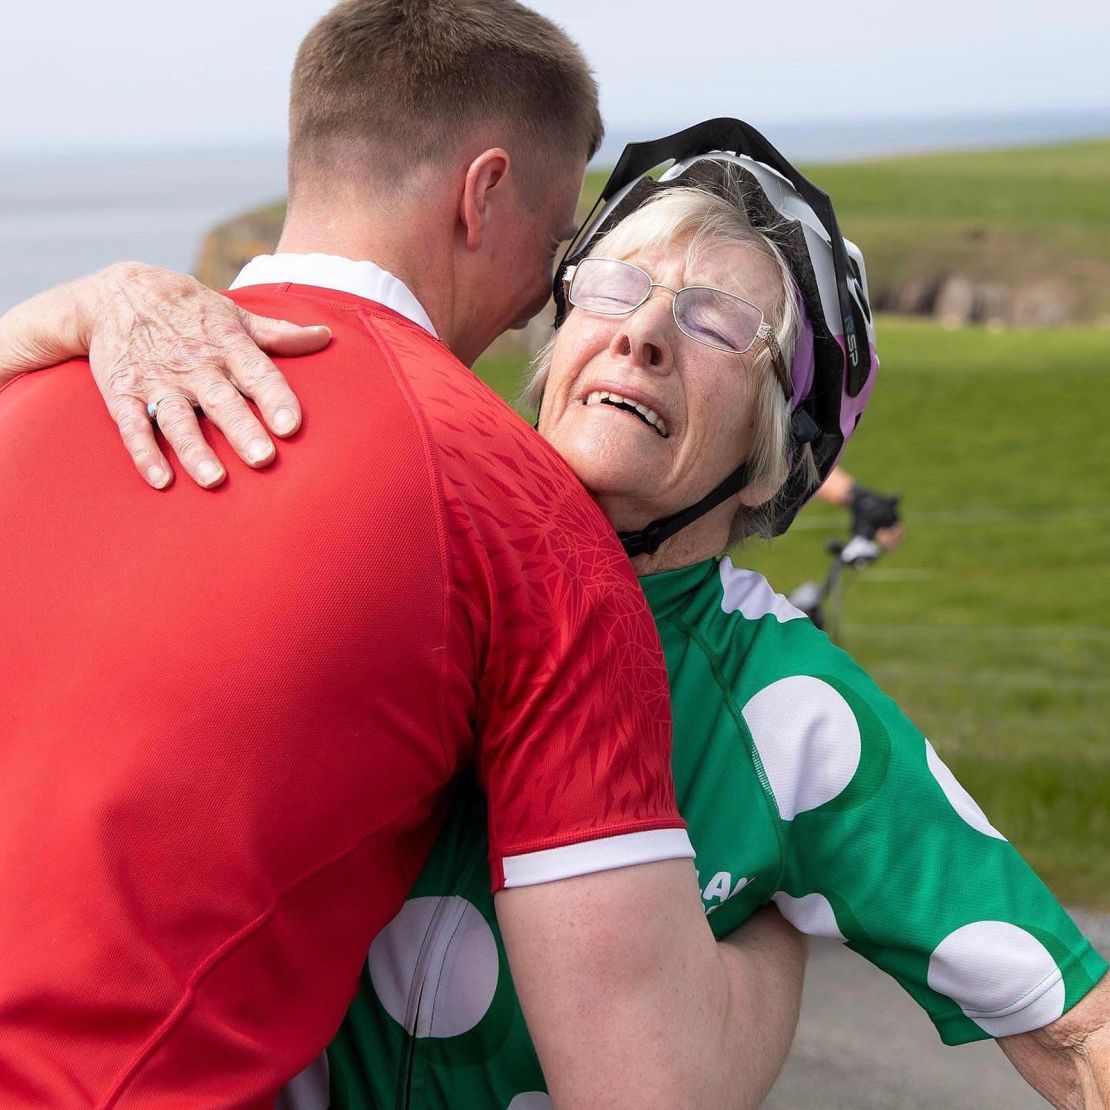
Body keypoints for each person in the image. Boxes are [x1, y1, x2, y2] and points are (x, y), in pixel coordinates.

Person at [6, 119, 1109, 1106]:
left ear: (778, 448)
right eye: (617, 289)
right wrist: (74, 313)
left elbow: (1077, 1027)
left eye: (722, 322)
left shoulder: (789, 708)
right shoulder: (385, 516)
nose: (643, 334)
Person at [0, 7, 808, 1108]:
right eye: (560, 242)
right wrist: (774, 926)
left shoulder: (49, 373)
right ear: (482, 196)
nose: (548, 291)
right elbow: (647, 1087)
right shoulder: (533, 530)